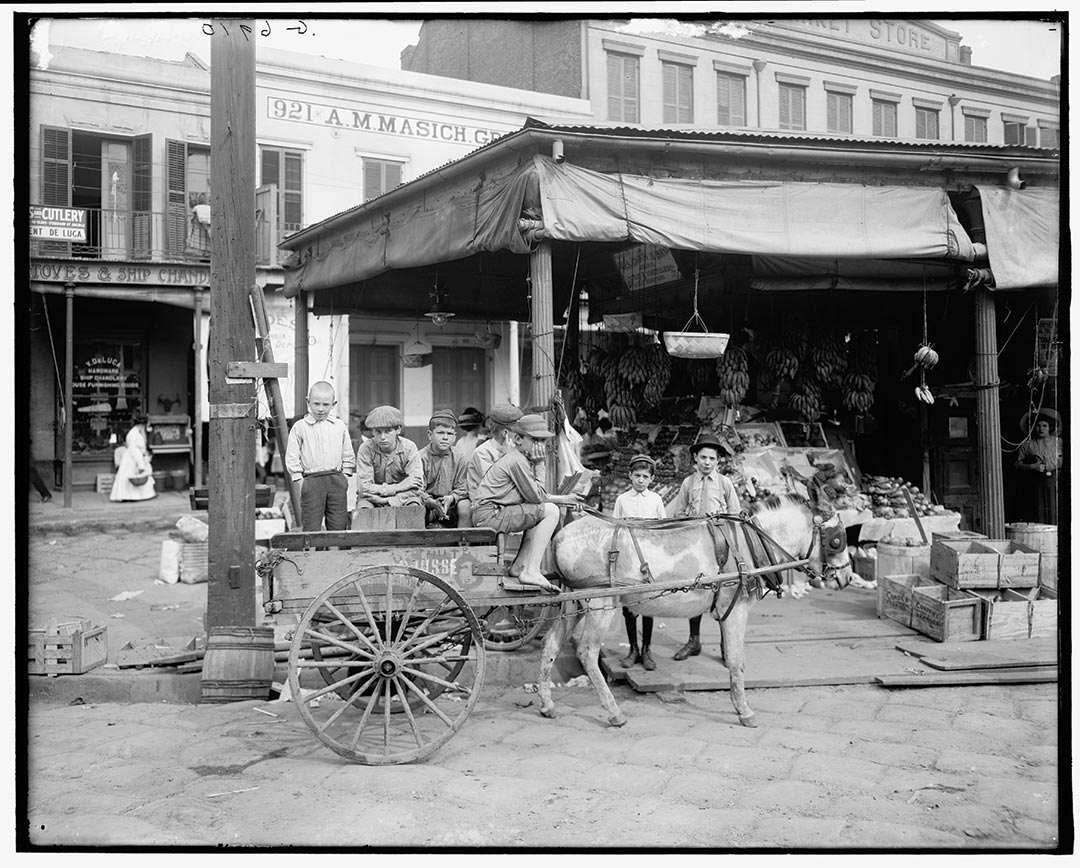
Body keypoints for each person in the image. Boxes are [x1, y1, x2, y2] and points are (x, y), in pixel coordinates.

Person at [471, 414, 581, 592]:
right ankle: (531, 570)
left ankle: (520, 566)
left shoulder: (520, 458)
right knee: (550, 511)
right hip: (491, 515)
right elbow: (536, 497)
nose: (540, 446)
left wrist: (563, 499)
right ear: (517, 439)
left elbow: (532, 497)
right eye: (535, 440)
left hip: (493, 512)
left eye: (543, 441)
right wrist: (540, 463)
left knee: (540, 511)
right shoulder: (518, 461)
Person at [667, 432, 742, 660]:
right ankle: (693, 640)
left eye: (711, 458)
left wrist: (721, 520)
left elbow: (735, 514)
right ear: (695, 460)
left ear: (718, 461)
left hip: (720, 545)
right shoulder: (688, 483)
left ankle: (725, 643)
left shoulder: (725, 483)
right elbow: (679, 513)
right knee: (696, 588)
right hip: (696, 544)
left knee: (724, 591)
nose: (707, 462)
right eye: (703, 458)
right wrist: (691, 521)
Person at [612, 454, 667, 671]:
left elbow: (662, 530)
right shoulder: (622, 500)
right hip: (628, 557)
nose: (641, 480)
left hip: (649, 558)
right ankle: (632, 648)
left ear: (651, 478)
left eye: (645, 476)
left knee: (648, 603)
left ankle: (647, 650)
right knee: (629, 605)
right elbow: (614, 528)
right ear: (630, 476)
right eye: (637, 475)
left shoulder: (656, 500)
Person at [285, 381, 355, 532]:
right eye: (316, 404)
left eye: (325, 404)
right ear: (307, 402)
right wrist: (299, 480)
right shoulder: (300, 427)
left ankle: (336, 554)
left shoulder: (339, 426)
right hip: (311, 480)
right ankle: (312, 554)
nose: (321, 409)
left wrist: (345, 476)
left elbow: (348, 453)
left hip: (336, 479)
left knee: (338, 522)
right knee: (311, 524)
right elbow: (292, 456)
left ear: (333, 404)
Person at [354, 405, 423, 514]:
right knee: (363, 511)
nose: (382, 437)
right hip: (372, 499)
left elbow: (417, 486)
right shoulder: (366, 448)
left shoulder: (409, 448)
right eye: (378, 431)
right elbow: (364, 488)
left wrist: (389, 500)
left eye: (388, 431)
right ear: (372, 432)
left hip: (403, 498)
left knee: (414, 507)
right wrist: (400, 486)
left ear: (398, 429)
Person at [419, 409, 471, 528]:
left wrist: (451, 498)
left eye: (449, 434)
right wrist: (430, 502)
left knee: (465, 506)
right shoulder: (420, 458)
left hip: (452, 504)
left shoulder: (460, 458)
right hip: (428, 504)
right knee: (415, 507)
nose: (445, 438)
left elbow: (463, 487)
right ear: (430, 435)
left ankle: (463, 544)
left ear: (454, 437)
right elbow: (417, 489)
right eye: (440, 433)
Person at [466, 403, 523, 501]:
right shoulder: (481, 453)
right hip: (488, 506)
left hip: (509, 503)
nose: (521, 435)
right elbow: (498, 486)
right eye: (517, 431)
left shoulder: (517, 450)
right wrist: (510, 455)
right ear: (505, 433)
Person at [1015, 408, 1062, 524]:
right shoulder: (1028, 445)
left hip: (1055, 481)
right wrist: (1032, 466)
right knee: (1038, 513)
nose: (1041, 429)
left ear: (1050, 427)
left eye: (1044, 425)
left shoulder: (1058, 442)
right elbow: (1017, 464)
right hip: (1036, 483)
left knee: (1055, 511)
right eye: (1038, 425)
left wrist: (1052, 465)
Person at [110, 414, 157, 502]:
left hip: (134, 456)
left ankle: (134, 496)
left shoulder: (136, 432)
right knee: (131, 474)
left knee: (133, 475)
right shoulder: (134, 433)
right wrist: (140, 463)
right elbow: (133, 449)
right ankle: (129, 496)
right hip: (133, 458)